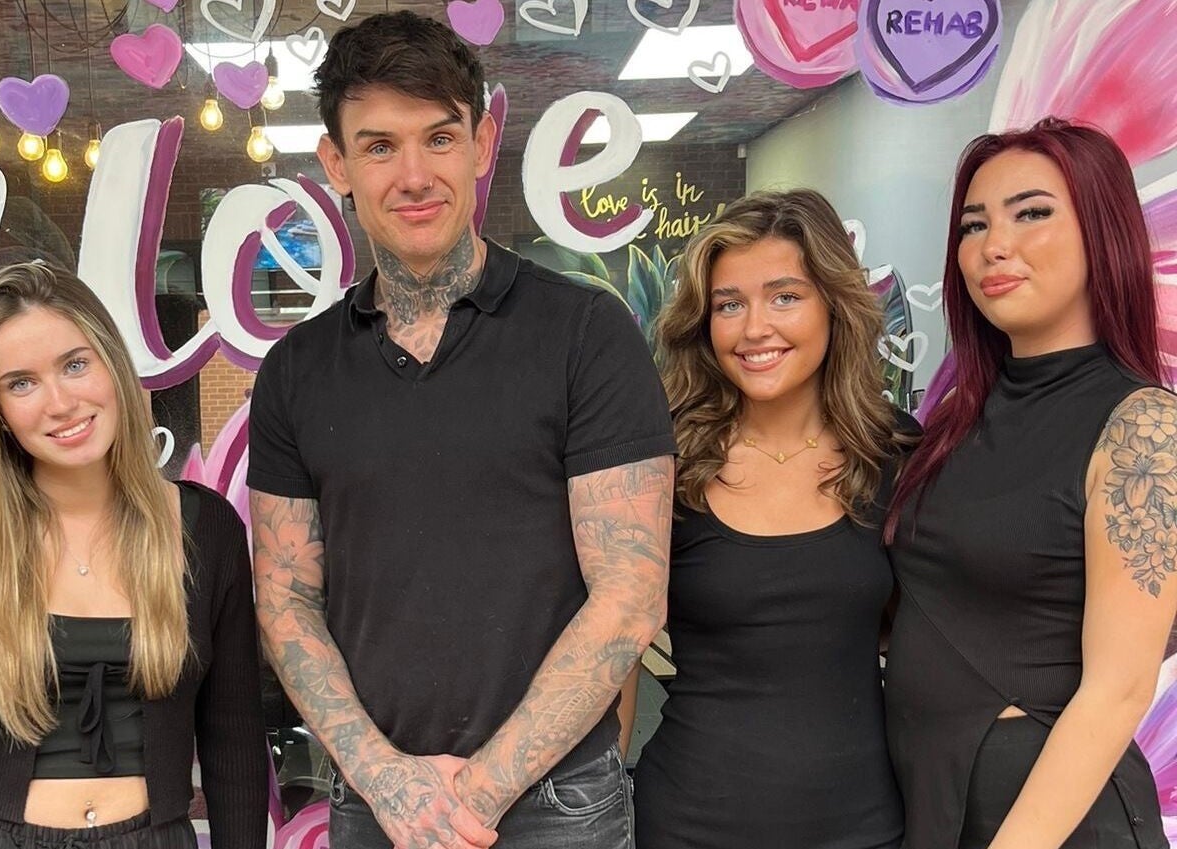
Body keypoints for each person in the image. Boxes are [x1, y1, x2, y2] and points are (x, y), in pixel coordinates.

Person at [246, 11, 675, 849]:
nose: (414, 175)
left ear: (481, 145)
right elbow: (286, 600)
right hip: (377, 799)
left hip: (556, 805)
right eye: (379, 145)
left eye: (439, 137)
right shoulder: (296, 370)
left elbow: (630, 595)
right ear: (336, 164)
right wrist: (385, 779)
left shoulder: (585, 334)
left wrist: (471, 797)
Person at [884, 117, 1176, 848]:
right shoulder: (957, 415)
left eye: (1032, 213)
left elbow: (1119, 689)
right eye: (974, 224)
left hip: (1044, 816)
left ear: (1103, 232)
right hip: (930, 796)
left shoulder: (1143, 427)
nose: (994, 245)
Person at [0, 262, 267, 849]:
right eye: (20, 383)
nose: (61, 403)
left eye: (75, 365)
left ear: (112, 364)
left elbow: (232, 732)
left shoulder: (204, 529)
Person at [632, 189, 912, 848]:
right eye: (729, 304)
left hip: (865, 827)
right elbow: (613, 661)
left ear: (834, 305)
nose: (754, 328)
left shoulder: (896, 454)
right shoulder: (663, 462)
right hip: (688, 826)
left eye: (785, 296)